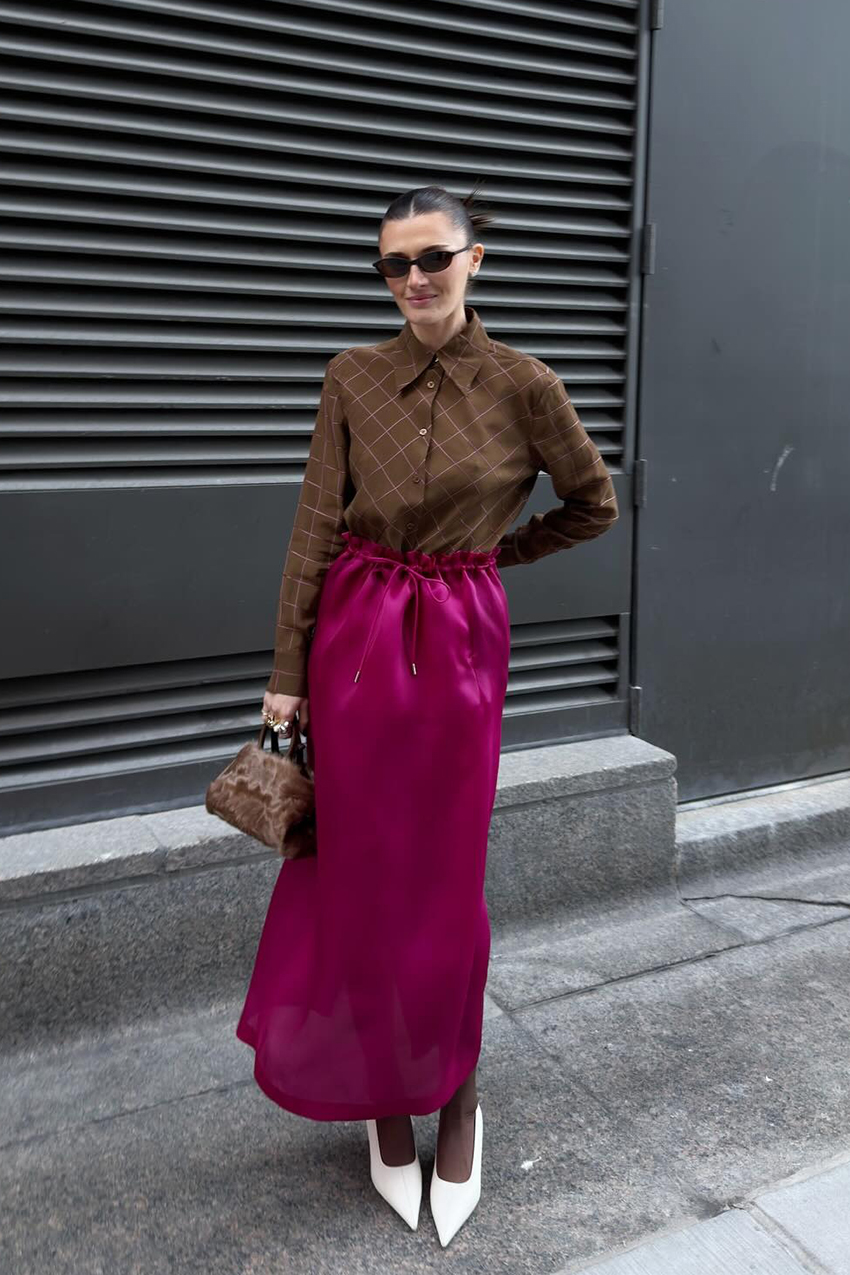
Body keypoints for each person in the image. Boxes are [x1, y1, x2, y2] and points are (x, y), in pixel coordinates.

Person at [236, 181, 619, 1245]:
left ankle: (455, 1090)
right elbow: (313, 527)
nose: (412, 280)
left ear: (474, 259)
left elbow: (594, 502)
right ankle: (383, 1096)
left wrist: (490, 561)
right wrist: (285, 674)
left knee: (446, 881)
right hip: (353, 643)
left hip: (457, 649)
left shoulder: (524, 383)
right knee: (359, 870)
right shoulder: (351, 376)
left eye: (431, 259)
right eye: (392, 265)